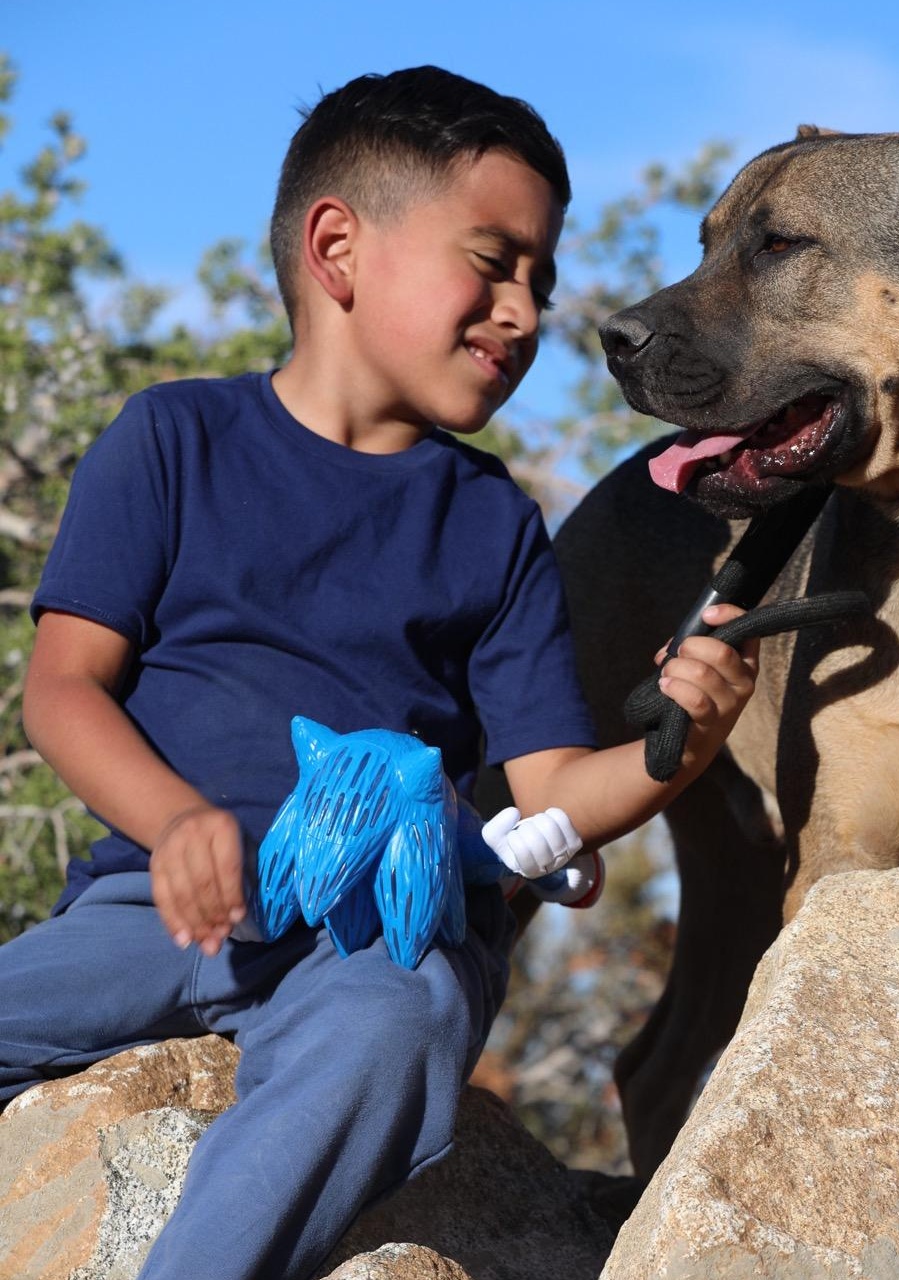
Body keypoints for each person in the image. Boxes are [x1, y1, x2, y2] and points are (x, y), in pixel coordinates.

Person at [0, 66, 757, 1280]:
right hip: (157, 903)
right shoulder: (174, 438)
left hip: (382, 932)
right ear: (337, 246)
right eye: (494, 260)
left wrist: (677, 743)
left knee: (393, 1034)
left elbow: (550, 784)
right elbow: (63, 688)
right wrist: (177, 821)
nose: (525, 310)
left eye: (542, 280)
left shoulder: (489, 520)